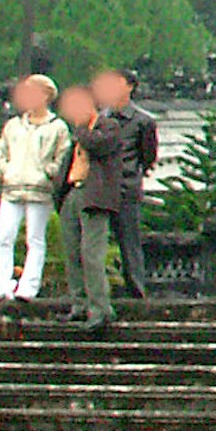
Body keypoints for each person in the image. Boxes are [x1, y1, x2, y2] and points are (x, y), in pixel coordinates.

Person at [60, 69, 141, 331]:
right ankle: (79, 303)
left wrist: (82, 127)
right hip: (73, 192)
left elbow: (98, 145)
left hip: (94, 196)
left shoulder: (108, 127)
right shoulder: (77, 134)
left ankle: (101, 308)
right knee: (73, 253)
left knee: (92, 254)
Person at [0, 74, 70, 301]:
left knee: (35, 239)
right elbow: (2, 151)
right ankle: (1, 285)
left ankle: (28, 287)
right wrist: (4, 171)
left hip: (39, 191)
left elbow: (62, 157)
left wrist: (48, 174)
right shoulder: (13, 125)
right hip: (11, 188)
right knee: (4, 237)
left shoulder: (58, 127)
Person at [101, 68, 161, 297]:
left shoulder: (143, 122)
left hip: (126, 188)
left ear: (129, 87)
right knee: (94, 241)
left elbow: (148, 156)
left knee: (129, 241)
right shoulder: (101, 118)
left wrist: (132, 174)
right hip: (101, 188)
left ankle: (136, 290)